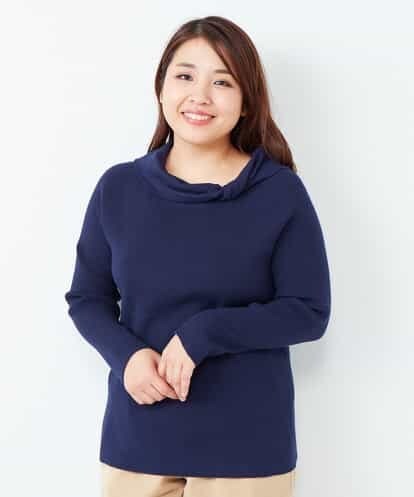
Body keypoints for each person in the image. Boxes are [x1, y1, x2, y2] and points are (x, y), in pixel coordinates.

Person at [64, 15, 331, 497]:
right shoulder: (118, 189)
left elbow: (308, 312)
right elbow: (87, 298)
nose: (200, 96)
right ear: (161, 87)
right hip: (137, 441)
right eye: (185, 76)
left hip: (246, 450)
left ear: (246, 101)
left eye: (222, 82)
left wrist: (204, 333)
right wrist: (126, 357)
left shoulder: (279, 193)